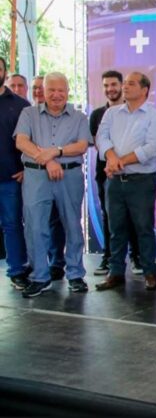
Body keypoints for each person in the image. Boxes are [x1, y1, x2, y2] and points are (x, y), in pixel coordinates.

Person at [14, 72, 92, 297]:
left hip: (70, 176)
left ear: (68, 92)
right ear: (43, 92)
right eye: (51, 90)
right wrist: (49, 161)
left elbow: (81, 146)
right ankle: (40, 276)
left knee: (73, 225)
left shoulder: (79, 117)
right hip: (36, 176)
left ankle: (75, 274)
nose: (56, 95)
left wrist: (57, 152)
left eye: (61, 90)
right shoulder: (28, 113)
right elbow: (21, 141)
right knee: (35, 227)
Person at [95, 72, 156, 292]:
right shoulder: (111, 113)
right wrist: (111, 158)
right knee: (115, 228)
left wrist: (120, 161)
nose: (125, 87)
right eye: (124, 83)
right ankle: (115, 272)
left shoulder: (154, 116)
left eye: (131, 83)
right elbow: (101, 137)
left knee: (143, 227)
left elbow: (151, 148)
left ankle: (149, 272)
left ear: (144, 89)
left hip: (141, 181)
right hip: (115, 181)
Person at [89, 70, 142, 276]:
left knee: (135, 216)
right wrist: (112, 160)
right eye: (106, 85)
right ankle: (109, 258)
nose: (110, 89)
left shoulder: (136, 113)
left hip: (133, 173)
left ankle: (137, 258)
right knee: (109, 216)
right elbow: (98, 142)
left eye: (114, 84)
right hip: (106, 173)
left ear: (122, 86)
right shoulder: (97, 115)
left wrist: (122, 160)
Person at [0, 56, 31, 290]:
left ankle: (17, 270)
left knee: (12, 224)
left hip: (10, 177)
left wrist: (24, 168)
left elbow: (32, 140)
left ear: (4, 72)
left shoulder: (20, 105)